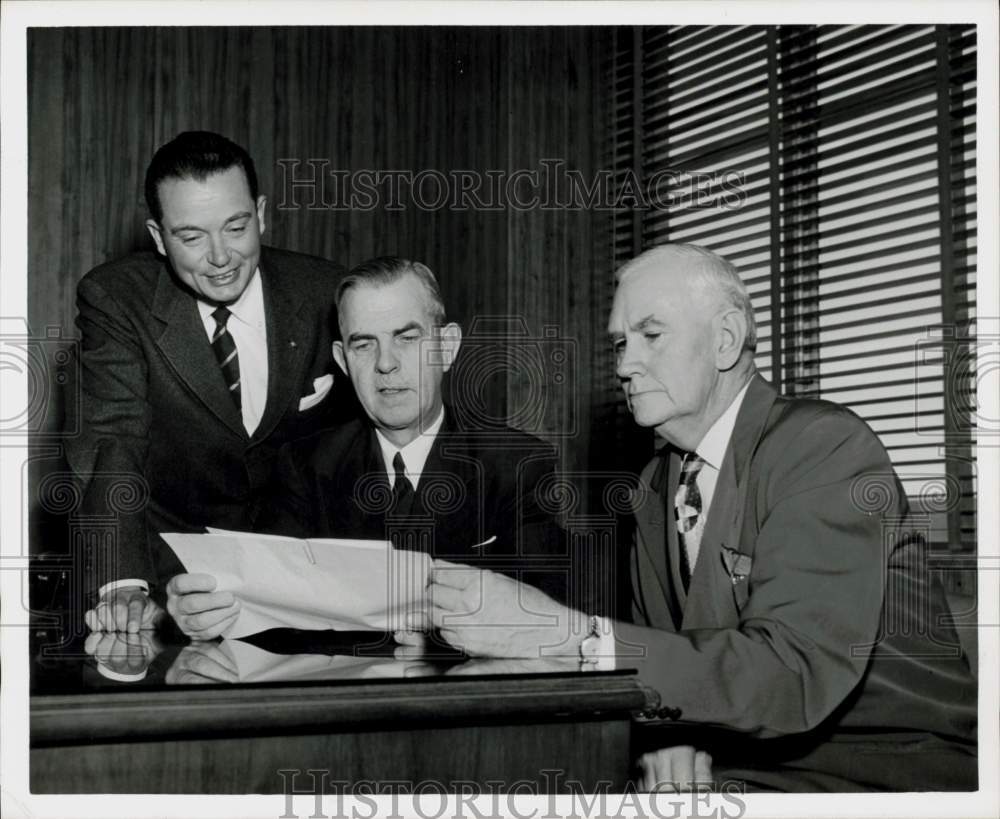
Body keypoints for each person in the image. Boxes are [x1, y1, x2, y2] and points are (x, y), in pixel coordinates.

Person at [403, 243, 977, 791]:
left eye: (650, 335)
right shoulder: (657, 484)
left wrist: (563, 633)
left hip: (876, 773)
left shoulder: (823, 448)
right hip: (740, 759)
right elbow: (670, 654)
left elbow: (791, 673)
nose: (625, 364)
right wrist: (668, 731)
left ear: (725, 340)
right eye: (619, 344)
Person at [165, 256, 567, 641]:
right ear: (342, 360)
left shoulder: (517, 466)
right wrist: (209, 612)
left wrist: (441, 643)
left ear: (446, 347)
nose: (385, 364)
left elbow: (548, 614)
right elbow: (268, 611)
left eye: (406, 338)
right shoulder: (303, 467)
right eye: (364, 345)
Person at [70, 131, 353, 635]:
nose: (221, 256)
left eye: (236, 227)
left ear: (261, 214)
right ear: (158, 238)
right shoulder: (116, 299)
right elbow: (115, 440)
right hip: (171, 587)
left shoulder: (326, 292)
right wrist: (125, 588)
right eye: (192, 236)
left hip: (303, 589)